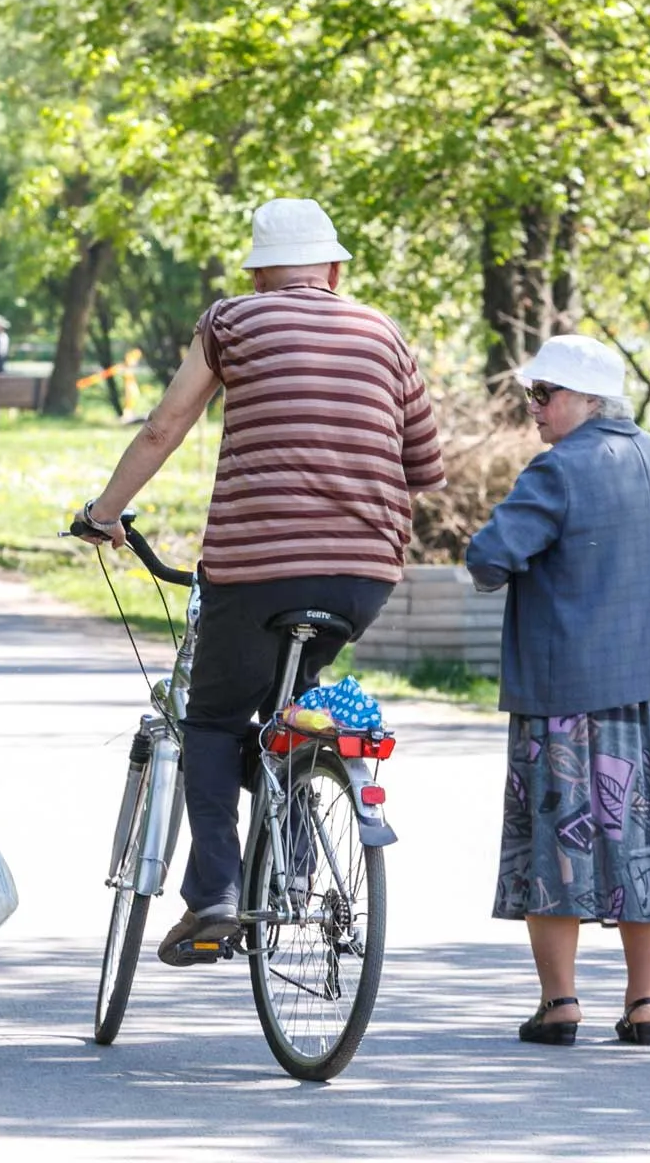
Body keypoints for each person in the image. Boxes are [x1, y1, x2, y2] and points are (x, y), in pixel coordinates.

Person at [75, 197, 445, 963]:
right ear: (335, 269)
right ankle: (298, 847)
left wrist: (105, 512)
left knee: (212, 722)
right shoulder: (384, 333)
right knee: (289, 713)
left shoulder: (233, 321)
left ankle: (212, 894)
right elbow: (426, 469)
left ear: (257, 272)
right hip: (363, 576)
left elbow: (164, 427)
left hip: (257, 570)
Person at [463, 334, 650, 1048]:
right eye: (532, 395)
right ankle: (646, 1004)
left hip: (563, 695)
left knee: (556, 845)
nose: (535, 410)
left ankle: (561, 1002)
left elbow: (489, 558)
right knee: (646, 843)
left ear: (586, 399)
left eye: (544, 395)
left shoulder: (559, 470)